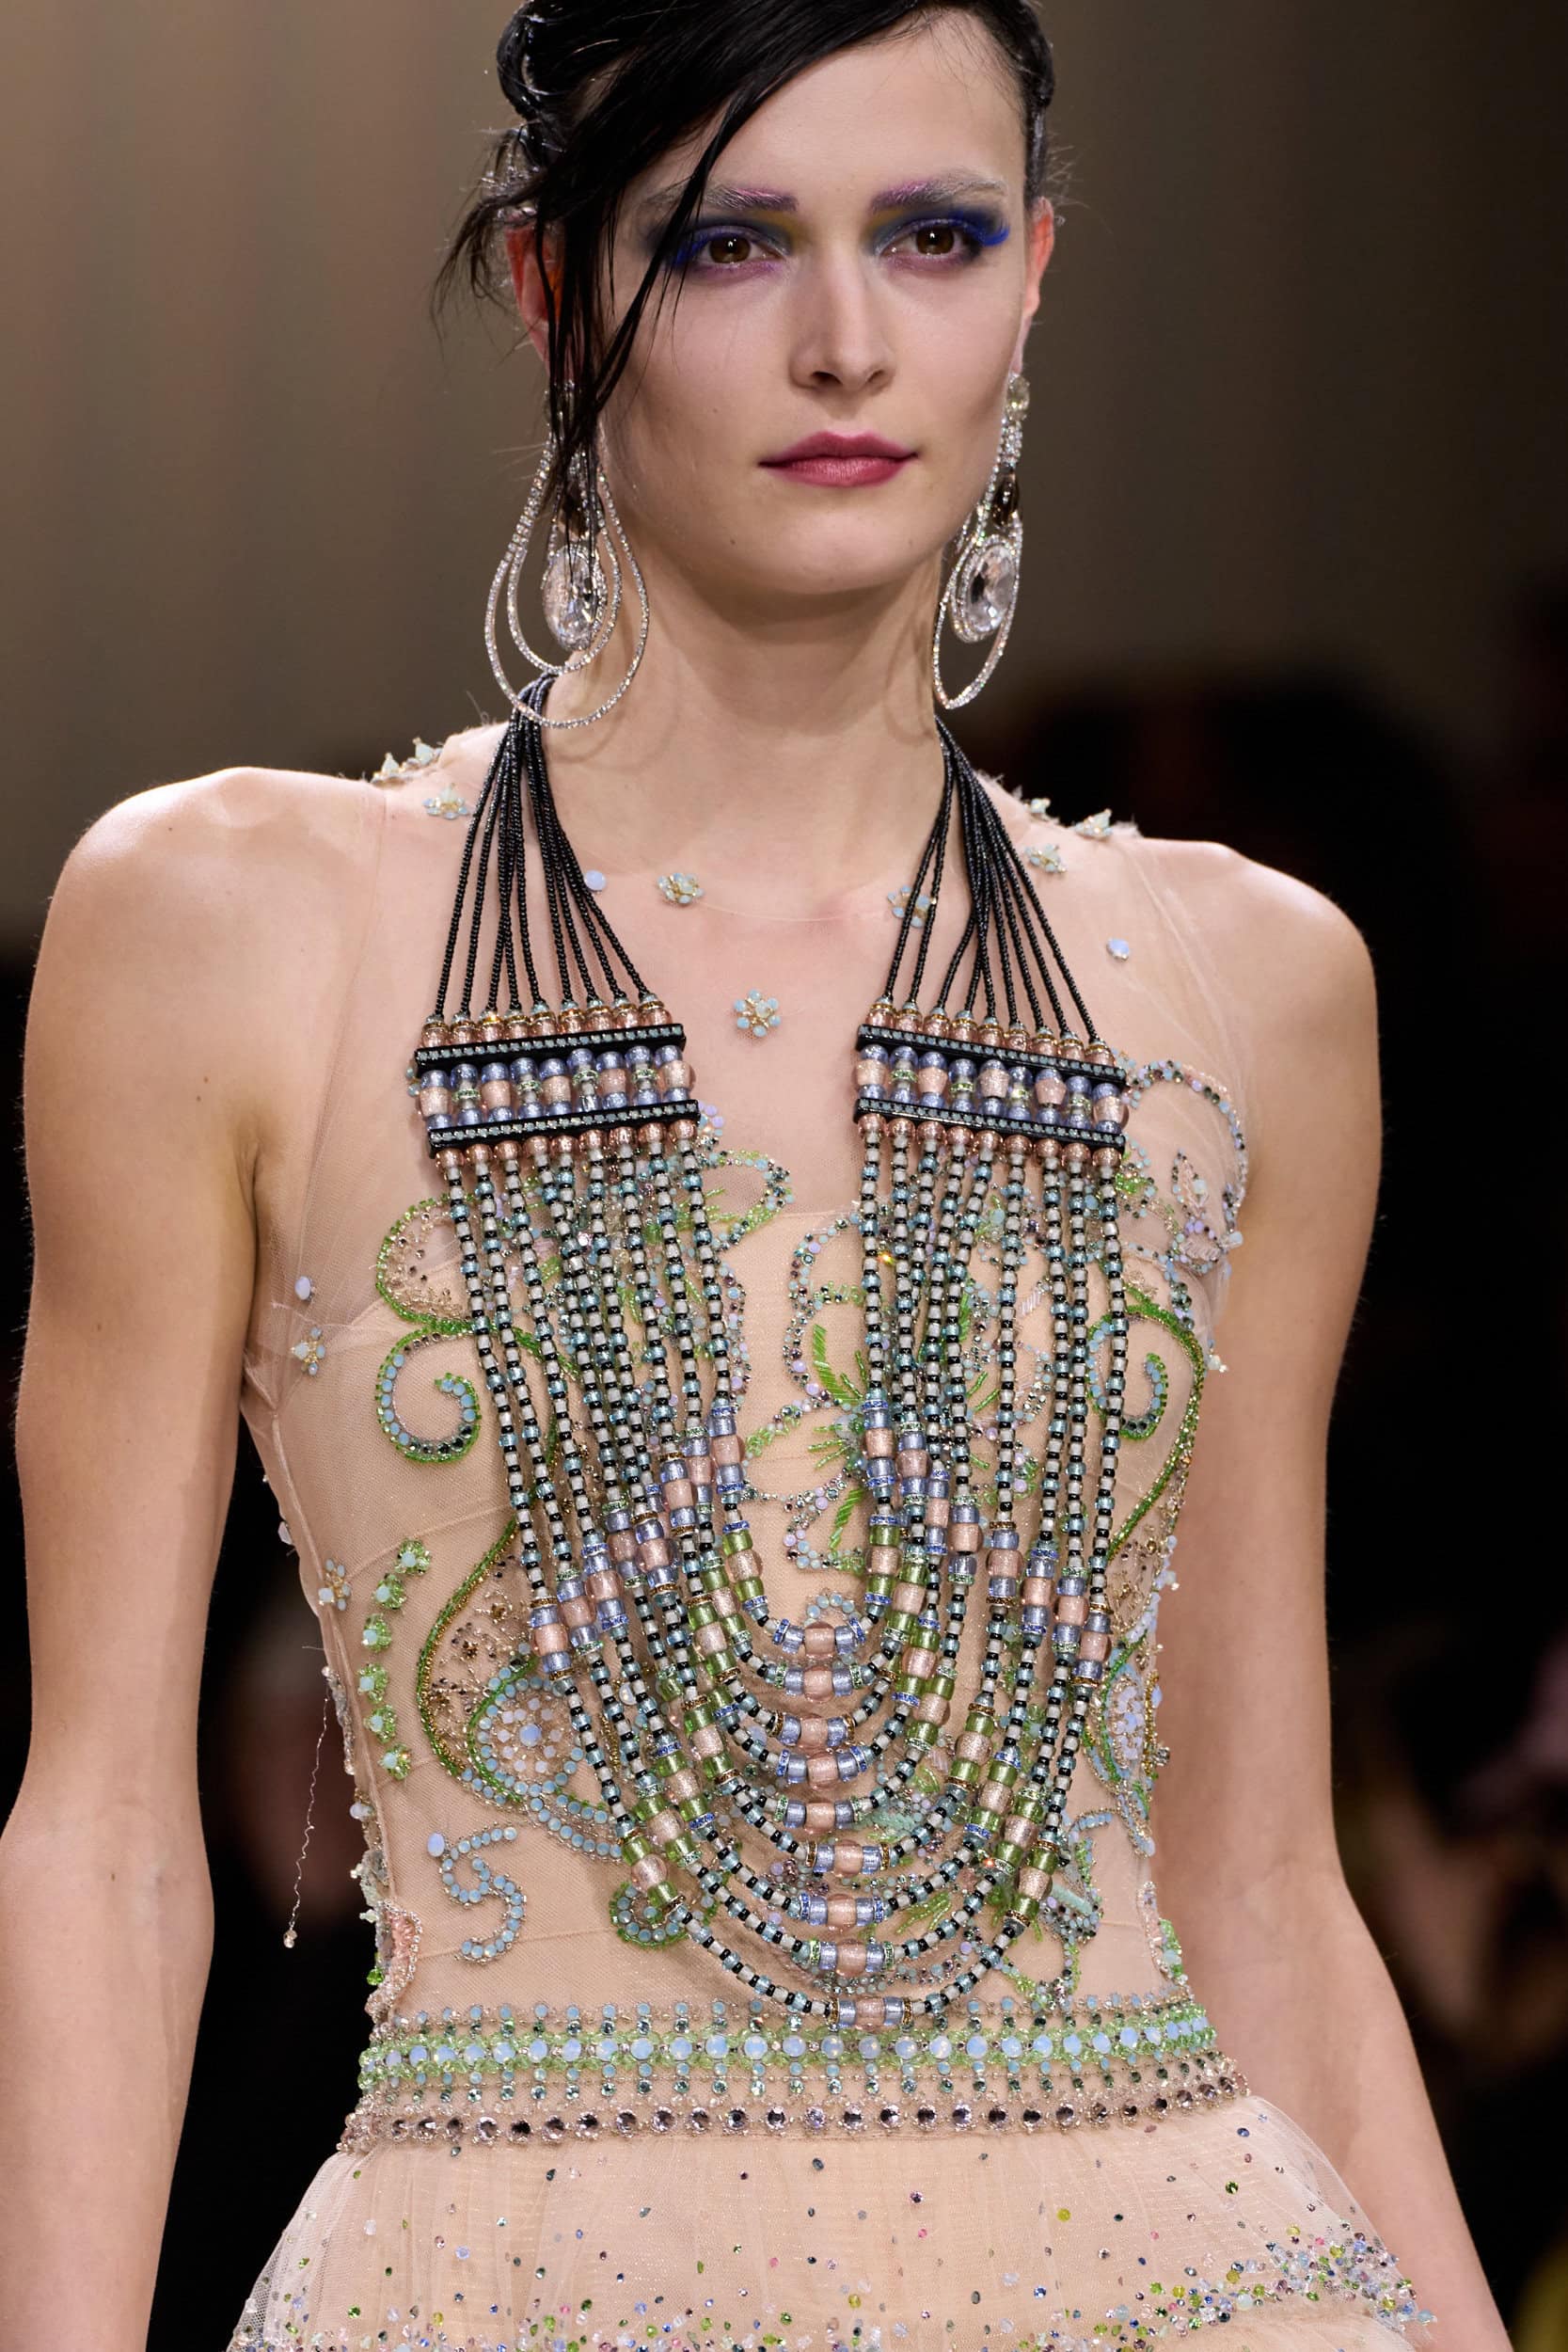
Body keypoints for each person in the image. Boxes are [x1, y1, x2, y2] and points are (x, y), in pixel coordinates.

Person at [0, 5, 1508, 2345]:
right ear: (552, 289)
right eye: (727, 242)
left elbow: (1262, 1872)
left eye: (935, 235)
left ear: (1035, 278)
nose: (845, 339)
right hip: (509, 2274)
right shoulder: (233, 924)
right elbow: (102, 1832)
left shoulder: (1252, 982)